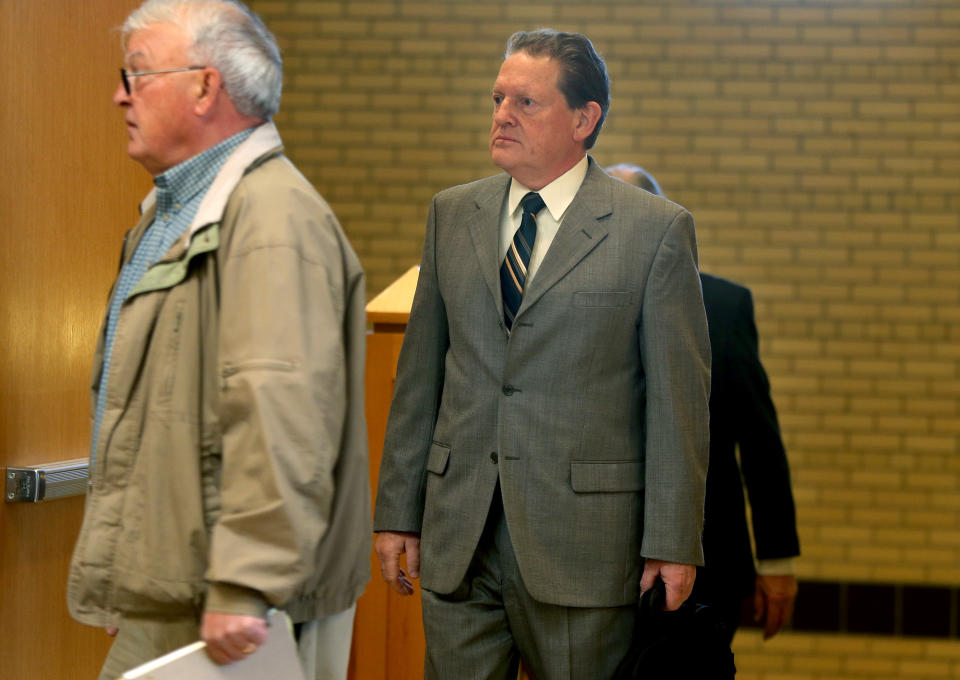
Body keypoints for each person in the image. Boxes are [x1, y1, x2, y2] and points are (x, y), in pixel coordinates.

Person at [374, 29, 711, 679]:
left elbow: (679, 401)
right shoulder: (452, 214)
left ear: (586, 119)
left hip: (583, 545)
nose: (502, 115)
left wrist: (672, 542)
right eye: (498, 99)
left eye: (526, 103)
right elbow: (419, 380)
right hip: (459, 537)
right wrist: (397, 514)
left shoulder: (653, 231)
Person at [67, 2, 371, 679]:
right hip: (181, 590)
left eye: (138, 74)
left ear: (205, 87)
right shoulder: (174, 214)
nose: (120, 94)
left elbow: (279, 412)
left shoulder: (271, 222)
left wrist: (244, 582)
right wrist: (133, 563)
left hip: (239, 611)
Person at [607, 163, 800, 644]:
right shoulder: (560, 301)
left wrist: (776, 559)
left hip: (706, 554)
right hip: (592, 554)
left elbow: (759, 439)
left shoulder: (721, 305)